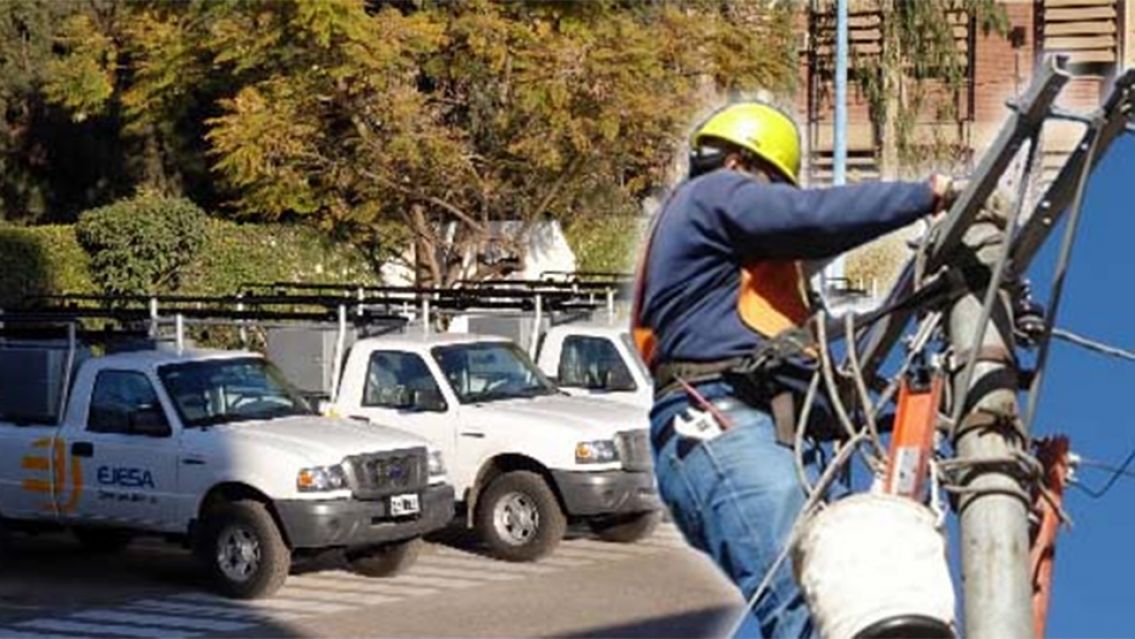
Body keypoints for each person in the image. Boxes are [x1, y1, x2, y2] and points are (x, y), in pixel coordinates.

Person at [631, 102, 957, 638]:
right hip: (719, 419)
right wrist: (926, 195)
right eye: (773, 190)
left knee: (815, 603)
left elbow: (797, 378)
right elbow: (810, 219)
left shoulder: (715, 266)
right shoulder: (716, 193)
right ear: (742, 163)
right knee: (809, 608)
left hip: (724, 426)